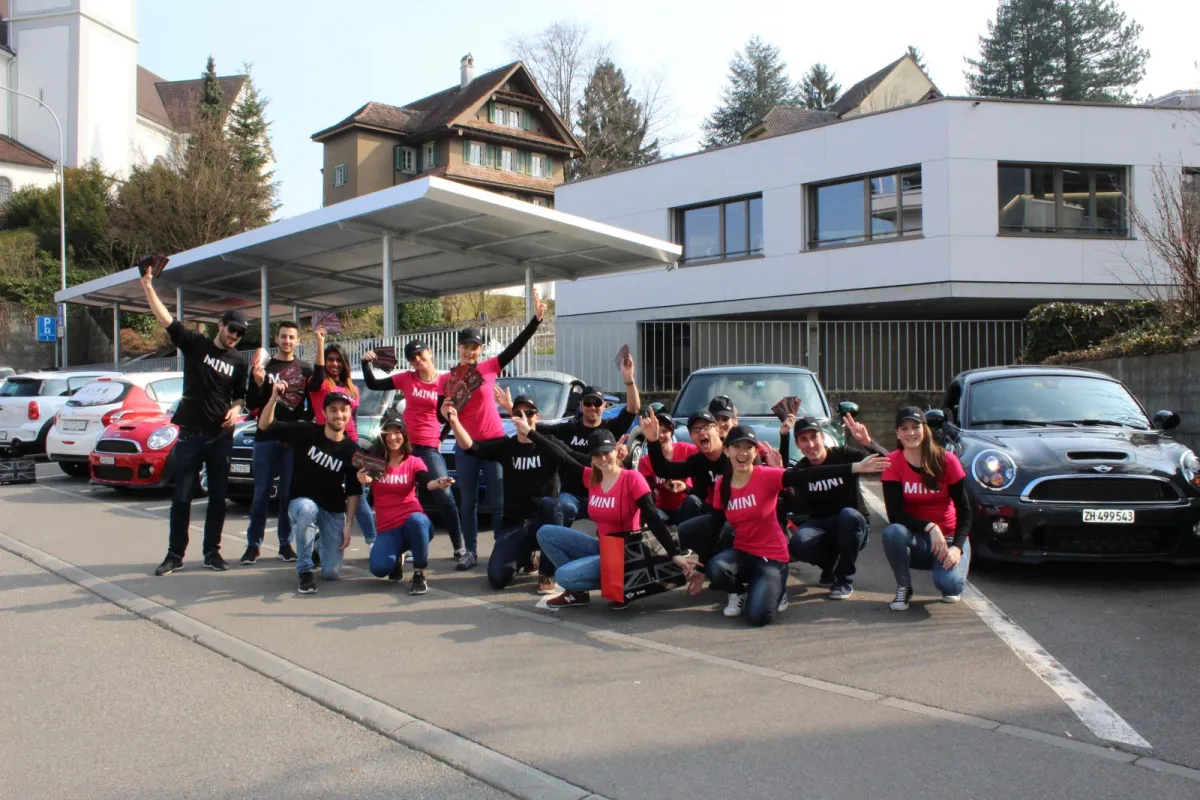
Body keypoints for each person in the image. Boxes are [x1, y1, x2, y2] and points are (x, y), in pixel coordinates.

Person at [141, 269, 248, 576]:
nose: (235, 336)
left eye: (240, 333)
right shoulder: (195, 344)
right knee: (182, 497)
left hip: (220, 438)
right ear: (220, 325)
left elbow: (240, 396)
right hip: (190, 436)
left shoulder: (239, 362)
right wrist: (148, 286)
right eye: (232, 329)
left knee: (218, 499)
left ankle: (212, 552)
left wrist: (236, 410)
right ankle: (174, 555)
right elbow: (167, 320)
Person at [523, 425, 694, 610]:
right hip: (602, 547)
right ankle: (577, 593)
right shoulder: (592, 478)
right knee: (545, 533)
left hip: (624, 555)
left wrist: (674, 553)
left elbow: (653, 518)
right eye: (597, 455)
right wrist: (530, 433)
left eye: (606, 452)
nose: (603, 458)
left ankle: (619, 586)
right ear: (592, 457)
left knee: (564, 576)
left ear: (616, 451)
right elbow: (563, 457)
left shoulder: (632, 478)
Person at [441, 291, 546, 571]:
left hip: (496, 444)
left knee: (500, 502)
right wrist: (444, 414)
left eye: (475, 347)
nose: (470, 351)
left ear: (480, 350)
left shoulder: (489, 368)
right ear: (458, 348)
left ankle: (503, 548)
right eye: (466, 347)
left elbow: (515, 347)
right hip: (466, 446)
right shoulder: (448, 378)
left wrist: (536, 321)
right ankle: (470, 552)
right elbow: (443, 413)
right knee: (468, 503)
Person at [444, 394, 562, 592]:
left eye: (529, 413)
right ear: (512, 418)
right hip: (515, 525)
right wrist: (454, 421)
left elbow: (574, 460)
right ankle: (525, 555)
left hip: (542, 521)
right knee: (497, 579)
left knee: (554, 506)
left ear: (537, 417)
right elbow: (472, 448)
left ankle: (547, 572)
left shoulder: (549, 445)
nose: (524, 417)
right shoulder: (507, 446)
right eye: (518, 413)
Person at [361, 339, 464, 558]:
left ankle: (459, 545)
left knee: (444, 494)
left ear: (430, 352)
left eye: (420, 354)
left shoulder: (445, 381)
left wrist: (441, 437)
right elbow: (374, 384)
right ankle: (394, 544)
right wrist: (365, 364)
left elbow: (452, 413)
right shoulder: (406, 378)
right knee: (384, 494)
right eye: (412, 358)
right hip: (403, 447)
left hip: (428, 447)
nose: (417, 360)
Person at [258, 382, 362, 594]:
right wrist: (273, 398)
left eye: (343, 410)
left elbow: (354, 491)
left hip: (332, 510)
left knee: (331, 573)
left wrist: (348, 524)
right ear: (324, 413)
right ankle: (305, 571)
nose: (339, 415)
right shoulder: (305, 431)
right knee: (307, 509)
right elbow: (265, 426)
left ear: (350, 413)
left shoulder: (353, 450)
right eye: (333, 410)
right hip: (301, 503)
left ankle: (317, 544)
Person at [700, 425, 809, 627]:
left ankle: (777, 587)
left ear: (755, 451)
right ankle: (738, 592)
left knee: (759, 617)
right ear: (726, 450)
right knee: (715, 568)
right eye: (737, 446)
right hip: (744, 553)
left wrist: (855, 467)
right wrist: (700, 567)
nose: (742, 452)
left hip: (772, 557)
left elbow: (807, 477)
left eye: (748, 447)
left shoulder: (767, 475)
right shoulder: (722, 484)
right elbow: (715, 526)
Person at [778, 413, 890, 600]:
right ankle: (831, 565)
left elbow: (888, 462)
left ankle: (844, 580)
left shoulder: (843, 454)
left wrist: (868, 442)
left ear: (823, 437)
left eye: (814, 437)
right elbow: (785, 484)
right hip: (821, 525)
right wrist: (783, 438)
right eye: (804, 440)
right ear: (797, 445)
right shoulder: (801, 469)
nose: (810, 444)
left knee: (849, 516)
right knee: (798, 543)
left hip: (853, 525)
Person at [527, 352, 641, 527]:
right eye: (588, 403)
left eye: (597, 403)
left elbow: (633, 408)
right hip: (572, 495)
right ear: (580, 406)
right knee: (560, 508)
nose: (592, 407)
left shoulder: (611, 428)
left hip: (603, 494)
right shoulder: (569, 427)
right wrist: (514, 410)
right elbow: (536, 427)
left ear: (604, 406)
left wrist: (629, 379)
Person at [880, 407, 974, 611]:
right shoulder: (893, 462)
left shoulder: (947, 460)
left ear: (925, 429)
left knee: (950, 586)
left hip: (948, 538)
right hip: (918, 539)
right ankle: (904, 587)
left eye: (915, 427)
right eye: (904, 428)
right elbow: (895, 514)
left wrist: (957, 547)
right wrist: (930, 527)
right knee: (893, 532)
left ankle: (956, 563)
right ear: (897, 433)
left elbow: (966, 510)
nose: (910, 433)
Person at [360, 411, 455, 596]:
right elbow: (365, 484)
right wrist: (362, 480)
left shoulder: (413, 462)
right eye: (388, 432)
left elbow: (426, 482)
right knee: (379, 568)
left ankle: (419, 573)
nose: (393, 437)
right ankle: (396, 559)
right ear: (382, 436)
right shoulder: (376, 462)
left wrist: (438, 482)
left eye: (397, 432)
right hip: (388, 528)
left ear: (404, 434)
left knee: (417, 521)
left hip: (413, 522)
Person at [241, 320, 312, 565]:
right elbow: (251, 404)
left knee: (287, 495)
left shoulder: (305, 369)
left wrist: (300, 428)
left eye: (291, 337)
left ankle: (285, 544)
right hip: (265, 439)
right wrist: (258, 382)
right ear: (276, 339)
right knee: (261, 494)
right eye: (283, 336)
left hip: (291, 442)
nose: (287, 341)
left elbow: (311, 408)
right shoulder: (264, 367)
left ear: (298, 341)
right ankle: (253, 546)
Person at [307, 325, 377, 550]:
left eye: (338, 360)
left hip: (351, 444)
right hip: (326, 444)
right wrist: (320, 343)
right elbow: (319, 373)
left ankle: (373, 541)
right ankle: (318, 543)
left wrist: (358, 449)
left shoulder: (352, 388)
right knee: (323, 493)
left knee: (359, 493)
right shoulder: (318, 384)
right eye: (330, 359)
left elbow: (353, 419)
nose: (334, 364)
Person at [640, 410, 730, 567]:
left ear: (717, 429)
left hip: (741, 518)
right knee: (682, 534)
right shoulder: (699, 461)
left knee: (720, 559)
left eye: (705, 427)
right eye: (695, 430)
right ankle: (706, 561)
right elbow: (664, 470)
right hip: (716, 515)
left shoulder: (733, 455)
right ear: (691, 436)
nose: (701, 432)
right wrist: (652, 441)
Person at [636, 407, 702, 525]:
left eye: (665, 431)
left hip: (687, 506)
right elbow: (647, 494)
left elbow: (704, 487)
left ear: (671, 433)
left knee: (693, 501)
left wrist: (685, 488)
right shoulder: (645, 461)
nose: (661, 435)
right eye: (657, 431)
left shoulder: (688, 450)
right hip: (663, 510)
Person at [708, 395, 783, 467]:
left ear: (734, 420)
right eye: (716, 419)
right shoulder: (704, 447)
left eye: (725, 419)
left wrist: (784, 436)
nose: (721, 424)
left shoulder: (753, 448)